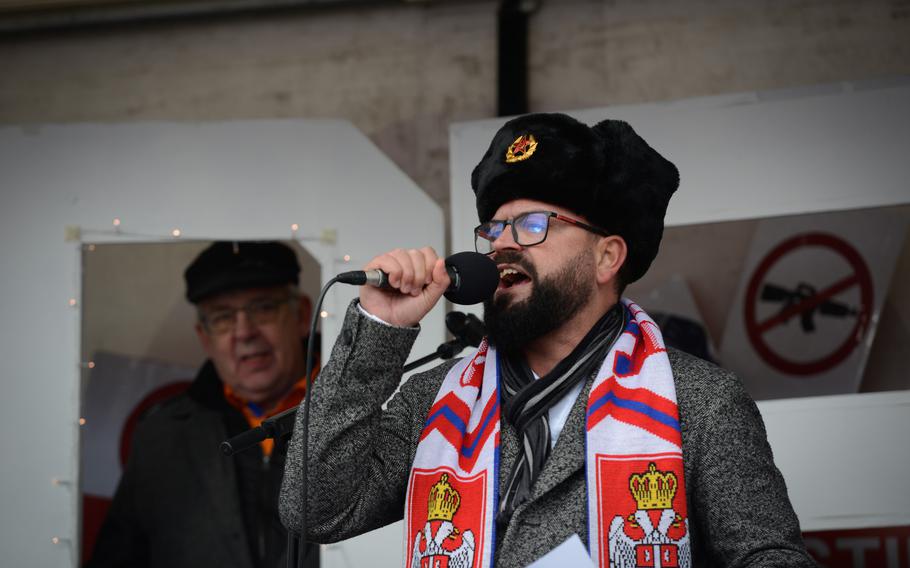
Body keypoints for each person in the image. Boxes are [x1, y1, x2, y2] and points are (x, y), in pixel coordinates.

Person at [279, 113, 817, 567]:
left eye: (534, 223)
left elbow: (771, 558)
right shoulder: (434, 400)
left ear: (607, 256)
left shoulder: (699, 402)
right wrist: (381, 327)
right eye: (494, 227)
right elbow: (315, 509)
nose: (503, 244)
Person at [88, 241, 319, 568]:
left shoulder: (361, 408)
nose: (245, 332)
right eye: (223, 317)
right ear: (204, 338)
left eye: (263, 307)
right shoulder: (161, 436)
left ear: (301, 315)